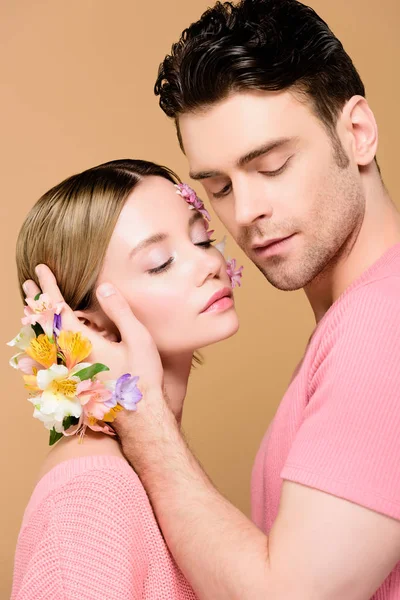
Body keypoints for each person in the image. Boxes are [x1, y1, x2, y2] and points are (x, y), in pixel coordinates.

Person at [21, 0, 400, 597]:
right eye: (218, 187)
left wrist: (143, 422)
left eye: (272, 166)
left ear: (356, 133)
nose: (245, 215)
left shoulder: (383, 325)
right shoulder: (88, 493)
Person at [11, 158, 240, 600]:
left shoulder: (150, 468)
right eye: (160, 262)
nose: (209, 263)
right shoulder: (90, 491)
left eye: (202, 238)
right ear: (87, 326)